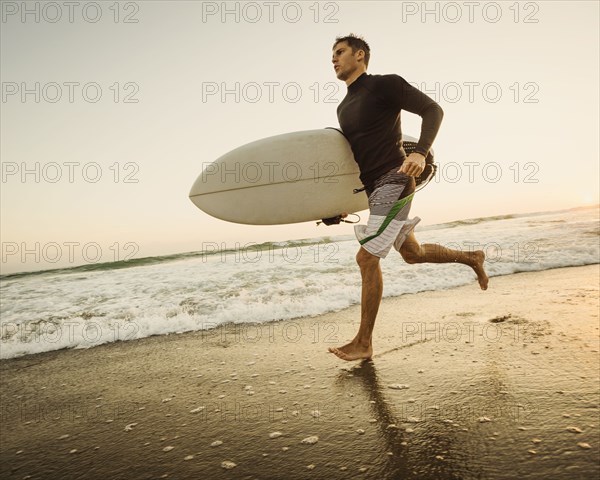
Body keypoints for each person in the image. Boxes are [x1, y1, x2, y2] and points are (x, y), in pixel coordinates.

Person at [327, 34, 489, 362]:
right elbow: (355, 160)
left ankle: (364, 342)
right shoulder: (343, 107)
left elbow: (433, 110)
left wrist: (421, 153)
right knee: (412, 254)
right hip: (373, 189)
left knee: (366, 257)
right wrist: (335, 205)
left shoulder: (384, 85)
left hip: (396, 179)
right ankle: (472, 257)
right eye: (332, 55)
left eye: (340, 52)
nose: (334, 59)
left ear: (360, 55)